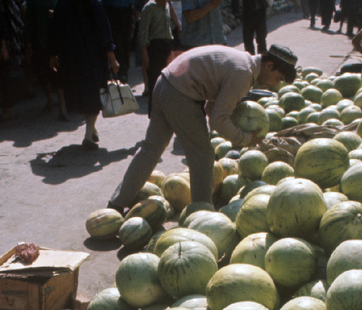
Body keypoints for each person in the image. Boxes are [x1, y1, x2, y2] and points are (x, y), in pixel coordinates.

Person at [106, 44, 297, 213]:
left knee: (151, 148)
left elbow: (211, 107)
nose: (275, 85)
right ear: (269, 66)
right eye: (277, 78)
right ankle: (202, 214)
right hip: (180, 94)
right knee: (203, 156)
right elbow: (217, 120)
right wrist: (246, 138)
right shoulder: (243, 73)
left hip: (165, 83)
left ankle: (116, 203)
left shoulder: (243, 61)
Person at [49, 0, 119, 150]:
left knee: (81, 94)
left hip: (71, 59)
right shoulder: (93, 3)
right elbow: (105, 33)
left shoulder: (62, 2)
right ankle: (89, 135)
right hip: (92, 60)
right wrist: (112, 58)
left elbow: (55, 32)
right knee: (93, 96)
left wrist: (53, 54)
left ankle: (90, 129)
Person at [25, 0, 67, 119]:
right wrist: (28, 41)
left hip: (56, 41)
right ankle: (50, 100)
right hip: (39, 40)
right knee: (42, 73)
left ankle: (62, 107)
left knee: (58, 74)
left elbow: (66, 21)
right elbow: (28, 20)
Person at [93, 0, 142, 82]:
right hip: (111, 13)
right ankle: (116, 69)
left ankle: (124, 70)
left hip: (126, 12)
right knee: (115, 42)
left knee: (126, 42)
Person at [138, 0, 179, 99]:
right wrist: (145, 54)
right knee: (155, 83)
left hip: (166, 47)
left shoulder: (167, 5)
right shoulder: (149, 8)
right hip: (154, 49)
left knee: (166, 82)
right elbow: (143, 33)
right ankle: (153, 115)